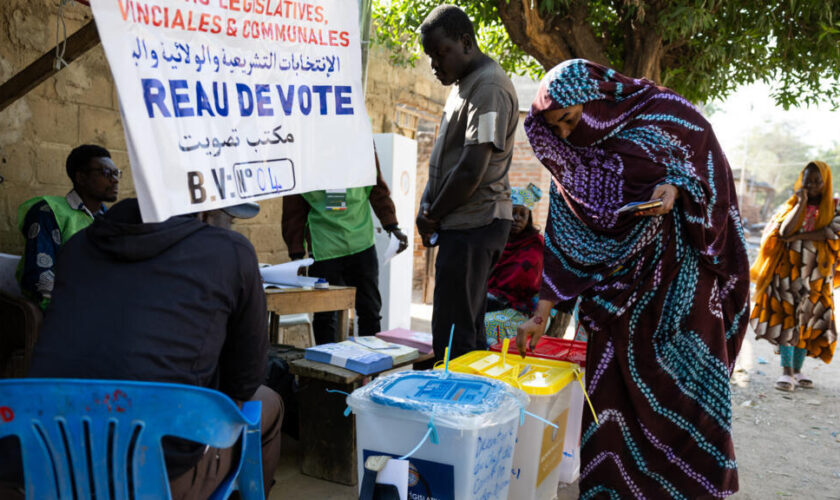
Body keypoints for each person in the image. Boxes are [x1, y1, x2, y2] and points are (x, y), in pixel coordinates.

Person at [517, 60, 750, 498]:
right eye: (557, 128)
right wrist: (541, 312)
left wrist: (676, 188)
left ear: (596, 98)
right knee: (611, 408)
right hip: (616, 303)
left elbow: (704, 166)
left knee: (687, 399)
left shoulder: (663, 114)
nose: (567, 134)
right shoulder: (572, 158)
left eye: (569, 119)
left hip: (680, 294)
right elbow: (564, 237)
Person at [0, 199, 282, 500]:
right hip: (157, 475)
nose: (231, 226)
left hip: (40, 463)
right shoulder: (231, 251)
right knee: (268, 402)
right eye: (230, 218)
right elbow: (245, 380)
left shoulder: (76, 247)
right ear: (205, 212)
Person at [416, 5, 518, 361]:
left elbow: (472, 168)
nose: (434, 65)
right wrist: (426, 206)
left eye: (440, 53)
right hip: (462, 223)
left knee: (454, 339)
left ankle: (455, 413)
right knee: (462, 331)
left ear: (466, 42)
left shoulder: (488, 86)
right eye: (430, 56)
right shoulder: (465, 85)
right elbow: (446, 162)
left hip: (476, 222)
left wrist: (434, 215)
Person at [282, 152, 408, 344]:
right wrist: (297, 253)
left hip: (361, 244)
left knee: (370, 312)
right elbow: (294, 207)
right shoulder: (305, 147)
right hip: (325, 248)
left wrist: (392, 225)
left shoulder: (361, 140)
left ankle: (370, 370)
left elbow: (377, 189)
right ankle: (328, 371)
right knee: (326, 316)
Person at [750, 161, 838, 391]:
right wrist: (802, 203)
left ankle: (798, 371)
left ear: (826, 182)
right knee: (788, 320)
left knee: (807, 322)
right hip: (787, 275)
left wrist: (798, 238)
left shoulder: (834, 208)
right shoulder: (790, 206)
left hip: (818, 278)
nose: (811, 186)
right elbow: (784, 231)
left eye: (817, 182)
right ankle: (786, 372)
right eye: (807, 181)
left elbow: (833, 233)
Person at [16, 144, 119, 309]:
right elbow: (40, 278)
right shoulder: (48, 212)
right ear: (81, 178)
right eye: (106, 173)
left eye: (116, 173)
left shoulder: (111, 220)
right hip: (64, 310)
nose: (114, 180)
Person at [484, 183, 545, 346]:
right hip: (489, 300)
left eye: (522, 214)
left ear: (529, 218)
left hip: (521, 309)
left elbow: (527, 281)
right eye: (513, 213)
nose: (517, 219)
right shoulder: (494, 240)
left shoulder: (534, 244)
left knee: (487, 324)